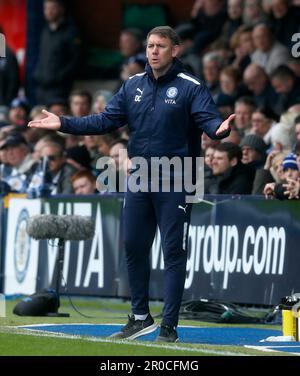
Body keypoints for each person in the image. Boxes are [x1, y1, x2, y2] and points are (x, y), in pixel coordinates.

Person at [28, 26, 234, 343]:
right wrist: (64, 124)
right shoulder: (133, 85)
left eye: (161, 46)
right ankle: (140, 318)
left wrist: (219, 130)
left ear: (175, 50)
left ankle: (169, 326)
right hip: (139, 178)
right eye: (150, 45)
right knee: (133, 246)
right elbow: (104, 120)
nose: (153, 51)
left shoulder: (191, 87)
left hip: (177, 177)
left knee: (173, 252)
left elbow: (209, 122)